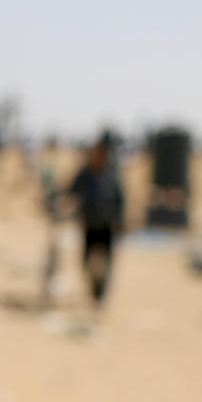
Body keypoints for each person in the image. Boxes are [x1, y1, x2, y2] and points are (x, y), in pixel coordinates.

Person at [67, 131, 124, 308]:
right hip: (90, 225)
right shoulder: (84, 175)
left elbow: (120, 200)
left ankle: (100, 295)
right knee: (87, 262)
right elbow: (70, 193)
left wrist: (120, 221)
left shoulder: (111, 176)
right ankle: (93, 290)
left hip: (106, 226)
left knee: (105, 263)